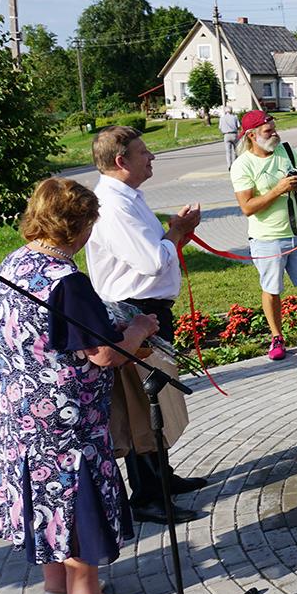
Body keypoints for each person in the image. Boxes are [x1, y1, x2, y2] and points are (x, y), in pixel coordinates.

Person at [0, 178, 158, 594]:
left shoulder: (13, 263)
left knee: (45, 497)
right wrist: (138, 329)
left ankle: (56, 587)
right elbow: (104, 355)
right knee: (75, 497)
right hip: (65, 417)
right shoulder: (67, 281)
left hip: (17, 413)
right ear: (79, 226)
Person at [85, 126, 209, 526]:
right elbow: (152, 261)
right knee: (142, 403)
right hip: (133, 313)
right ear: (121, 161)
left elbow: (157, 254)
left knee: (157, 396)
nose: (152, 157)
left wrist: (175, 234)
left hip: (148, 309)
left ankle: (162, 478)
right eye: (143, 152)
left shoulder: (128, 197)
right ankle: (147, 494)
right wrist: (177, 231)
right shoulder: (113, 205)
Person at [230, 109, 297, 361]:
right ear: (252, 135)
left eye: (275, 129)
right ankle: (277, 337)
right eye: (268, 131)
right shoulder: (242, 165)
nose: (275, 134)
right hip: (267, 238)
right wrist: (278, 190)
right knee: (272, 288)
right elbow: (247, 207)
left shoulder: (285, 151)